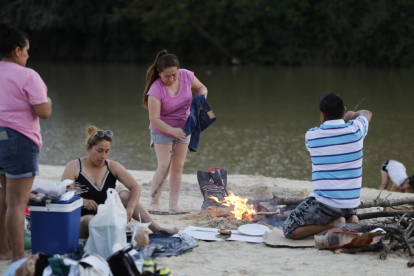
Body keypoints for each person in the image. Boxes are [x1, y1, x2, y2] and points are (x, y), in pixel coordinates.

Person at [61, 125, 179, 238]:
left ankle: (157, 228)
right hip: (82, 219)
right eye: (100, 151)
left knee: (125, 195)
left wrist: (131, 207)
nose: (103, 156)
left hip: (107, 217)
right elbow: (63, 195)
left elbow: (135, 187)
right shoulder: (74, 166)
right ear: (88, 148)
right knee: (89, 220)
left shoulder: (112, 166)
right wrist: (83, 201)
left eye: (107, 151)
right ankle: (113, 232)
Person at [283, 93, 372, 240]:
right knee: (346, 212)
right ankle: (351, 220)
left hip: (326, 204)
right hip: (350, 203)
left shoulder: (312, 135)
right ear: (343, 109)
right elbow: (367, 113)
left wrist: (344, 118)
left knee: (289, 229)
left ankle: (333, 224)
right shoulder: (356, 130)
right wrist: (352, 115)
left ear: (322, 115)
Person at [0, 21, 52, 262]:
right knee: (17, 204)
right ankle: (18, 256)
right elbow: (43, 111)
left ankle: (3, 251)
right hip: (18, 141)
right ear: (17, 50)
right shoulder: (27, 75)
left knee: (3, 200)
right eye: (27, 51)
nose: (28, 56)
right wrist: (48, 102)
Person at [142, 49, 208, 213]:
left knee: (178, 167)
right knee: (164, 166)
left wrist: (202, 96)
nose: (171, 79)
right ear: (159, 73)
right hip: (162, 130)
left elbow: (201, 88)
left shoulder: (186, 76)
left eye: (174, 75)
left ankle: (174, 205)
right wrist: (173, 131)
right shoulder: (155, 90)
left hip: (185, 127)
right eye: (167, 76)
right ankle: (154, 203)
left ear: (179, 71)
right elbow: (154, 119)